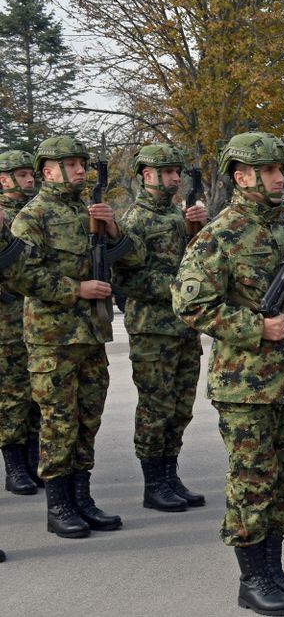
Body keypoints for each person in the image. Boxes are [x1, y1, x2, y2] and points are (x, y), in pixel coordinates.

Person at [173, 132, 284, 614]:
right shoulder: (220, 234)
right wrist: (253, 326)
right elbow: (189, 302)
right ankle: (252, 578)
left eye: (281, 170)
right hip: (245, 384)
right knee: (252, 481)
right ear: (242, 177)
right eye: (269, 172)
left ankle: (274, 569)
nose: (281, 178)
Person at [12, 136, 145, 539]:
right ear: (47, 171)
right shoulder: (32, 216)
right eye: (69, 164)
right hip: (53, 339)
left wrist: (113, 227)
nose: (79, 171)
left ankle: (82, 498)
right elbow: (20, 274)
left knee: (88, 419)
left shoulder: (89, 212)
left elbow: (135, 258)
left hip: (91, 336)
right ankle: (59, 505)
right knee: (57, 423)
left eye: (81, 164)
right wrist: (77, 289)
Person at [112, 144, 208, 513]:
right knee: (156, 408)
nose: (175, 178)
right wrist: (180, 290)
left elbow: (195, 263)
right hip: (153, 331)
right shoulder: (134, 220)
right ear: (146, 176)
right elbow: (128, 280)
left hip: (184, 328)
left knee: (181, 408)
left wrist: (196, 227)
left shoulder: (177, 215)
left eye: (176, 172)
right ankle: (154, 483)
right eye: (167, 172)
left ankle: (170, 475)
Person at [0, 150, 39, 496]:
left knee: (36, 393)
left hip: (37, 318)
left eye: (31, 174)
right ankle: (15, 467)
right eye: (21, 175)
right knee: (12, 394)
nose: (29, 180)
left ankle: (32, 458)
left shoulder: (35, 214)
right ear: (3, 179)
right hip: (6, 321)